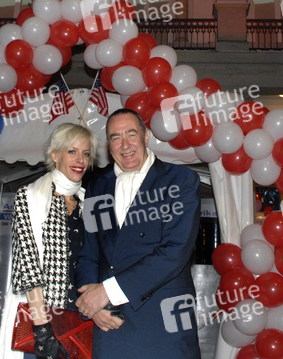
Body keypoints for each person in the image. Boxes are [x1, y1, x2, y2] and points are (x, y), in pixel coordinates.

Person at [75, 108, 201, 359]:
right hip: (110, 324)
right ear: (108, 145)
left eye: (131, 135)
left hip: (163, 325)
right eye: (116, 138)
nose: (125, 145)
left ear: (146, 137)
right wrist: (92, 305)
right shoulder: (98, 188)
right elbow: (89, 253)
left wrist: (106, 292)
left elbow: (174, 252)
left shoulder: (180, 181)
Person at [0, 122, 98, 359]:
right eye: (72, 151)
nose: (80, 160)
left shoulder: (88, 202)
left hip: (82, 317)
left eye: (85, 153)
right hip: (42, 319)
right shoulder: (30, 196)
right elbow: (27, 264)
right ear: (55, 155)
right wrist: (42, 329)